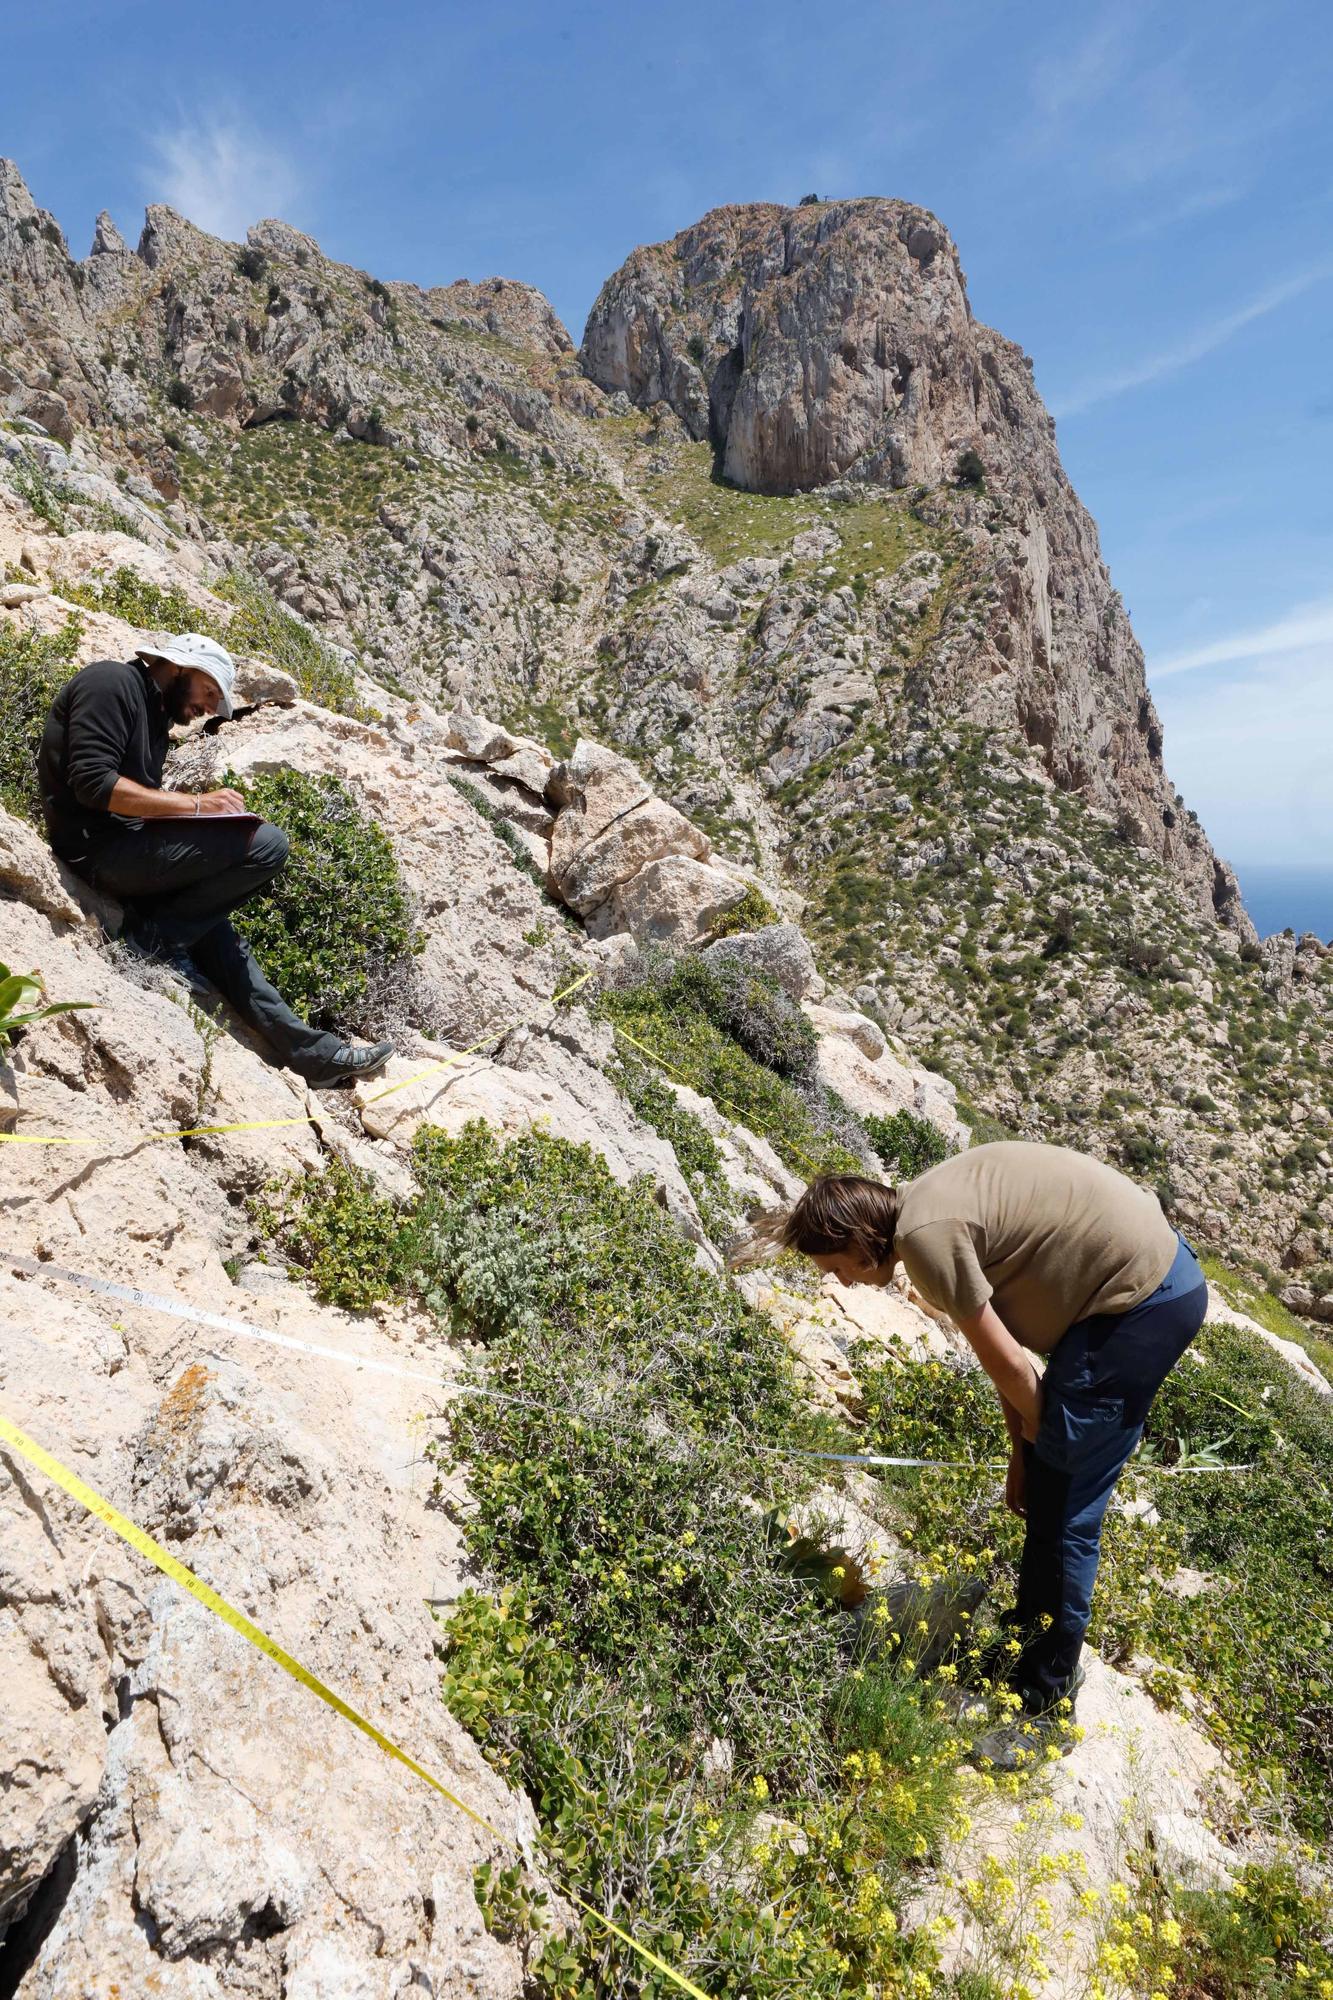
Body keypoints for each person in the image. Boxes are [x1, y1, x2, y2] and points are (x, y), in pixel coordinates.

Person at [741, 1140, 1208, 1769]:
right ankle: (1029, 1641)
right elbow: (1004, 1356)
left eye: (835, 1268)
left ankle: (1046, 1704)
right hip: (1139, 1289)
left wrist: (1054, 1452)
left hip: (1139, 1303)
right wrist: (1023, 1453)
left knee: (1066, 1506)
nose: (842, 1282)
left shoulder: (928, 1241)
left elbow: (1015, 1364)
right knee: (1049, 1483)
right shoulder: (923, 1211)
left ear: (856, 1239)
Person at [36, 631, 393, 1088]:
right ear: (181, 665)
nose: (207, 707)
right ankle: (154, 938)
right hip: (96, 850)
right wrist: (198, 807)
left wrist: (188, 818)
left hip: (127, 851)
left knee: (222, 942)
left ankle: (317, 1057)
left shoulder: (153, 714)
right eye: (208, 692)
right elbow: (93, 784)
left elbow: (135, 798)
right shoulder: (111, 683)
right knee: (266, 844)